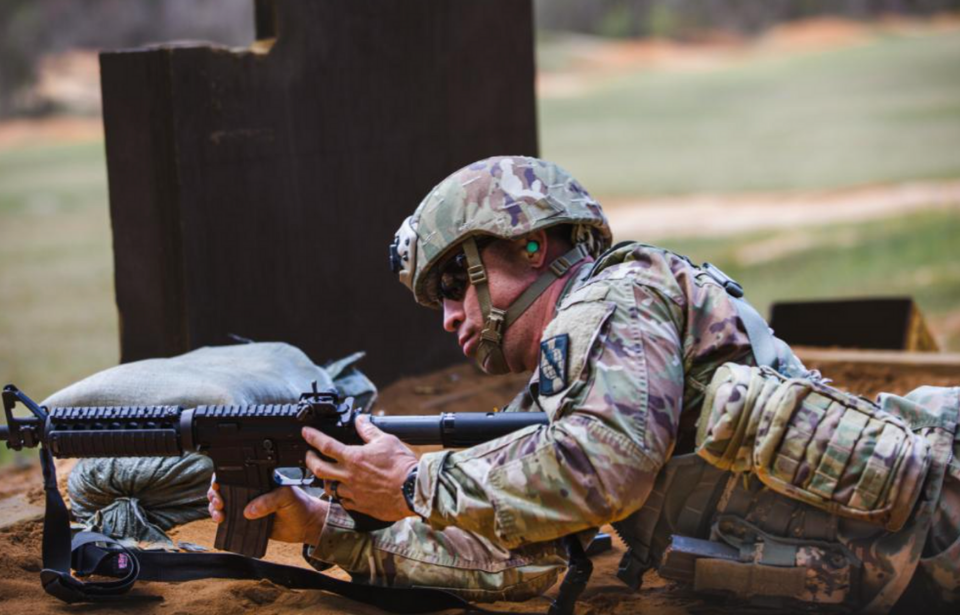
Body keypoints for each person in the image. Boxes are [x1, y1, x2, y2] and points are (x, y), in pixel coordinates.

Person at [209, 156, 959, 611]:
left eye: (450, 285)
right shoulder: (565, 387)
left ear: (530, 244)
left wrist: (414, 483)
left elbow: (606, 469)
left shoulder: (619, 295)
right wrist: (325, 527)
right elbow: (513, 558)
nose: (446, 319)